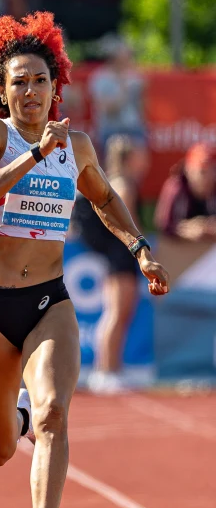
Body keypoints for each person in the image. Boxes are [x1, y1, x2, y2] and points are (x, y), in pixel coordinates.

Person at [0, 12, 170, 508]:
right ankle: (12, 417)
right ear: (2, 90)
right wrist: (35, 156)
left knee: (54, 413)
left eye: (39, 80)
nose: (30, 91)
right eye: (18, 81)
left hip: (49, 301)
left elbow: (105, 198)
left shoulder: (78, 144)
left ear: (55, 87)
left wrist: (140, 249)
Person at [72, 136, 150, 393]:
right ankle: (105, 370)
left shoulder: (118, 182)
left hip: (120, 255)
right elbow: (128, 226)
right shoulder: (124, 185)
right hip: (122, 256)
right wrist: (143, 252)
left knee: (120, 313)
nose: (145, 159)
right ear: (129, 157)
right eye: (140, 154)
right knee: (117, 312)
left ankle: (110, 368)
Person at [88, 35, 146, 149]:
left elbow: (142, 107)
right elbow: (104, 108)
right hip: (112, 130)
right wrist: (123, 90)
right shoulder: (100, 78)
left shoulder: (135, 77)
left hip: (134, 128)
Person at [154, 142, 216, 241]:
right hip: (181, 250)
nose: (209, 177)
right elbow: (163, 224)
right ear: (188, 170)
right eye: (202, 172)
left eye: (213, 170)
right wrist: (187, 229)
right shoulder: (176, 187)